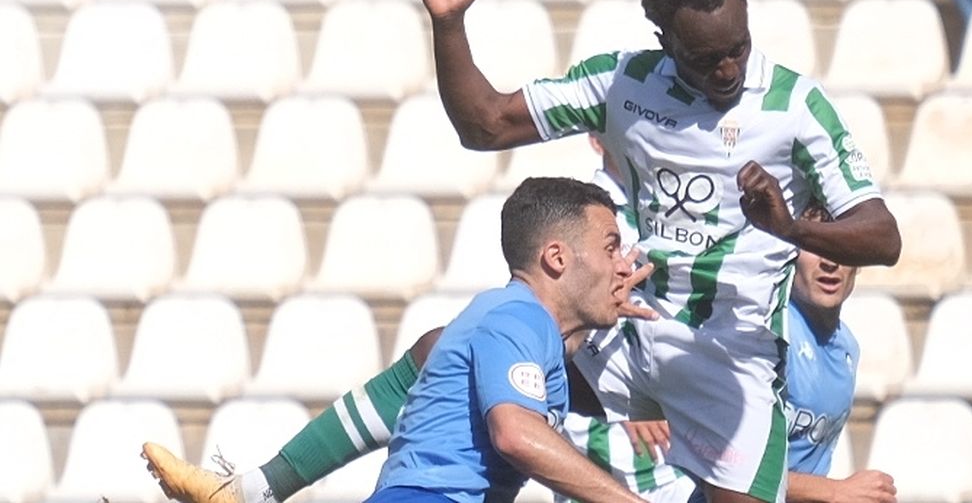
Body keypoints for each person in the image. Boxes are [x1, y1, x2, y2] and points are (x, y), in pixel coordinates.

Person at [424, 0, 899, 503]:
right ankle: (285, 480)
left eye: (738, 48)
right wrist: (449, 24)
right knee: (448, 349)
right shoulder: (624, 82)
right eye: (706, 58)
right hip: (623, 326)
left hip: (728, 354)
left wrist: (789, 227)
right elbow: (486, 124)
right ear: (666, 42)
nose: (727, 69)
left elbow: (883, 237)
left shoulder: (795, 109)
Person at [141, 176, 646, 503]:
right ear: (557, 258)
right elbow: (516, 435)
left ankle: (254, 490)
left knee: (435, 347)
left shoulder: (518, 326)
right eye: (610, 247)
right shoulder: (518, 316)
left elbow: (548, 371)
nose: (622, 264)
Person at [561, 205, 897, 503]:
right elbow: (720, 465)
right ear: (788, 254)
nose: (829, 262)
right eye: (814, 247)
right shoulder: (755, 336)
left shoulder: (846, 348)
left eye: (841, 249)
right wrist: (834, 492)